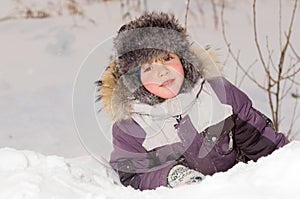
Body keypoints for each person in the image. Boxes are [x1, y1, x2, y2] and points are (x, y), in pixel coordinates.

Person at [97, 12, 289, 190]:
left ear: (183, 59)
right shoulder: (132, 125)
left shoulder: (217, 94)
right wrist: (169, 176)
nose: (162, 71)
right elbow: (132, 176)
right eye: (147, 68)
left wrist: (288, 163)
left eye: (167, 58)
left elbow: (259, 138)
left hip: (234, 187)